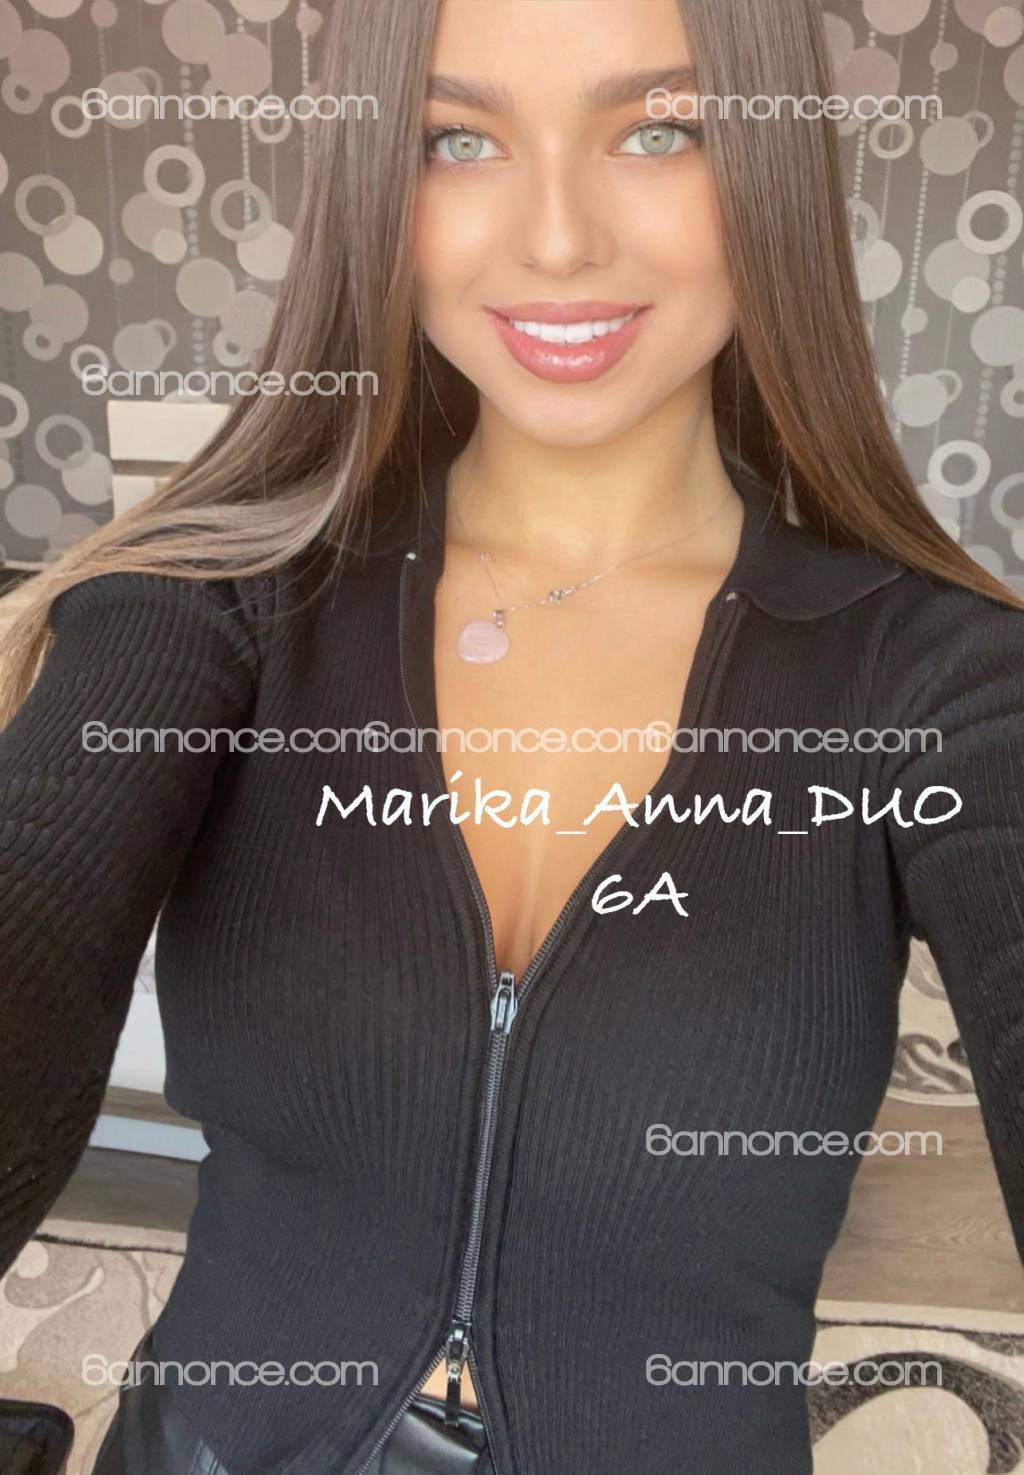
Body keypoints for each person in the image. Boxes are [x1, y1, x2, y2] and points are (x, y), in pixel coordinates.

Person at [1, 2, 1022, 1472]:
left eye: (661, 130)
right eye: (455, 140)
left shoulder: (944, 678)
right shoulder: (218, 605)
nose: (556, 240)